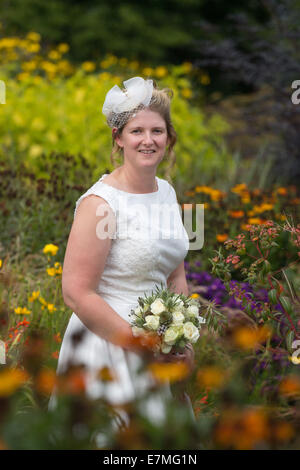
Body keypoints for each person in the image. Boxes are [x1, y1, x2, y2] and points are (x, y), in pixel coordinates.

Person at [48, 76, 195, 427]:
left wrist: (184, 342)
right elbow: (77, 293)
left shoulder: (167, 193)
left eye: (157, 131)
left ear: (169, 137)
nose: (148, 140)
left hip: (163, 352)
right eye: (136, 131)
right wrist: (142, 346)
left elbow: (175, 274)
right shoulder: (101, 204)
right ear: (118, 138)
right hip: (106, 350)